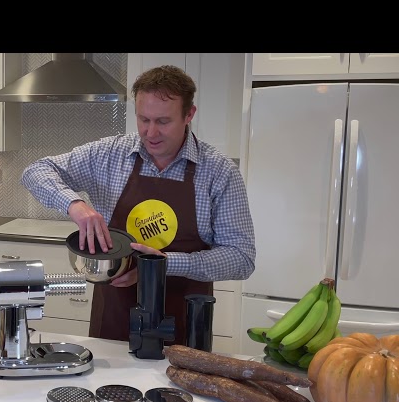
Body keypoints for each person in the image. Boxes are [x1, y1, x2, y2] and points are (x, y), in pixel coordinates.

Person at [21, 64, 255, 345]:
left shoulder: (218, 171)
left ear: (189, 115)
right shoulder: (110, 154)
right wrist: (75, 204)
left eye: (163, 121)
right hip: (114, 321)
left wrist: (162, 265)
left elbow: (241, 259)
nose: (151, 132)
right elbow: (36, 171)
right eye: (143, 119)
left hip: (184, 328)